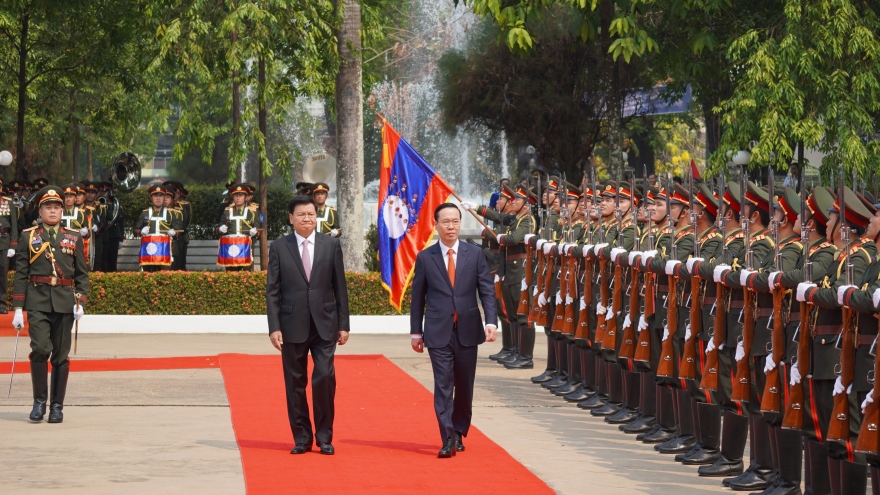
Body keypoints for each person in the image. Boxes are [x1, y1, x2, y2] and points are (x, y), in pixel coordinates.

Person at [410, 202, 497, 457]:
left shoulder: (475, 254)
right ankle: (447, 438)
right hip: (438, 331)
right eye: (445, 221)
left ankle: (459, 429)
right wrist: (416, 332)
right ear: (436, 225)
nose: (451, 226)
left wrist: (491, 322)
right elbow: (418, 299)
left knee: (465, 386)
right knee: (443, 385)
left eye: (455, 221)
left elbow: (487, 291)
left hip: (468, 329)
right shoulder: (426, 257)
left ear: (460, 223)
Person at [266, 195, 350, 456]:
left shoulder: (331, 245)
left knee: (324, 378)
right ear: (291, 218)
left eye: (311, 214)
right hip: (292, 325)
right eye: (301, 214)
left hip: (325, 324)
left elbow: (340, 287)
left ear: (317, 216)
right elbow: (272, 291)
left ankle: (324, 437)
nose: (307, 218)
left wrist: (344, 324)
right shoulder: (279, 247)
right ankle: (302, 437)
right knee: (295, 382)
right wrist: (274, 327)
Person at [12, 186, 89, 424]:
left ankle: (57, 406)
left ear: (62, 210)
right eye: (48, 207)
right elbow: (21, 273)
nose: (53, 211)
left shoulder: (73, 237)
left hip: (65, 302)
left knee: (60, 355)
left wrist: (81, 301)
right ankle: (39, 402)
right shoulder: (29, 236)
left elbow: (82, 274)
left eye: (57, 207)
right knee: (40, 348)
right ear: (40, 210)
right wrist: (17, 308)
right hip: (37, 300)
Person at [134, 184, 183, 272]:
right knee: (148, 276)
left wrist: (174, 232)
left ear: (164, 198)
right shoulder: (145, 213)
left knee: (165, 276)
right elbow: (135, 230)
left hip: (165, 251)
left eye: (161, 196)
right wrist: (141, 232)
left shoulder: (171, 213)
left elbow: (179, 231)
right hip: (148, 252)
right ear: (151, 198)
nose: (158, 198)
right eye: (155, 196)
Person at [218, 183, 258, 271]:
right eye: (236, 195)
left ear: (245, 197)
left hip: (245, 247)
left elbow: (258, 231)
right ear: (233, 197)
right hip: (230, 248)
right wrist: (220, 229)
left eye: (241, 195)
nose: (238, 198)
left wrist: (254, 233)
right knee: (231, 273)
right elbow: (218, 229)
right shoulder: (227, 211)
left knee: (246, 274)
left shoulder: (252, 212)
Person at [0, 183, 19, 313]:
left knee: (2, 274)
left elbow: (14, 226)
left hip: (3, 241)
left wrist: (13, 245)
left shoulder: (8, 203)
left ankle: (1, 304)